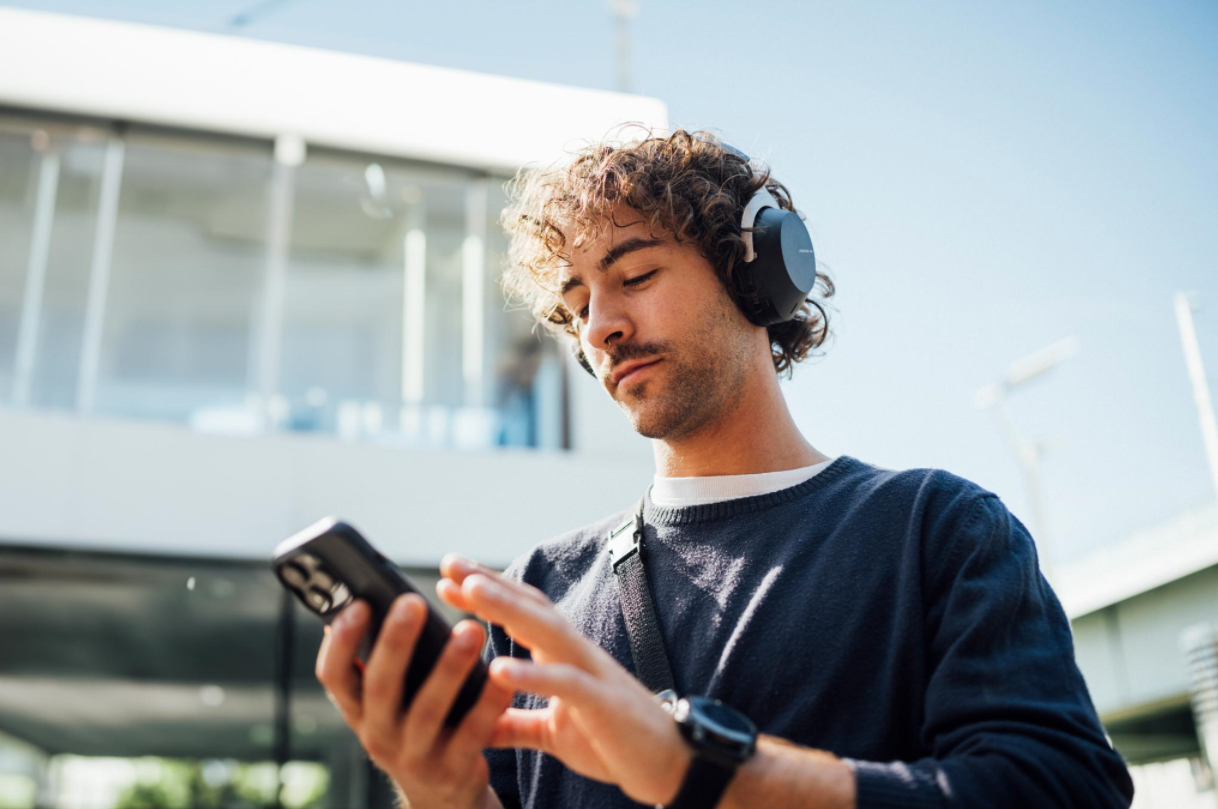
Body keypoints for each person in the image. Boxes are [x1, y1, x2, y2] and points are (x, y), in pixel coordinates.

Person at [315, 129, 1135, 809]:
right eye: (576, 306)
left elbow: (1062, 790)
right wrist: (442, 791)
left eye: (634, 275)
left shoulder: (937, 530)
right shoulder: (535, 593)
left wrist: (703, 770)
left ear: (757, 275)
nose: (600, 326)